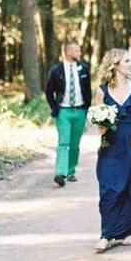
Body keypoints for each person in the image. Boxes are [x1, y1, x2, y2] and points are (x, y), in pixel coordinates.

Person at [93, 48, 131, 253]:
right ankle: (106, 234)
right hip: (111, 144)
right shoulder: (102, 90)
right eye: (127, 60)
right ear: (115, 64)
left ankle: (127, 230)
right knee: (109, 187)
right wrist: (100, 125)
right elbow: (97, 117)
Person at [45, 42, 91, 187]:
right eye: (77, 50)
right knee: (63, 142)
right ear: (68, 52)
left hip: (79, 111)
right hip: (63, 111)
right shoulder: (56, 69)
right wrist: (55, 108)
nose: (79, 53)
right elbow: (48, 91)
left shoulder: (83, 68)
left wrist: (86, 109)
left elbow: (88, 90)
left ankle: (71, 171)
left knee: (74, 144)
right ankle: (60, 172)